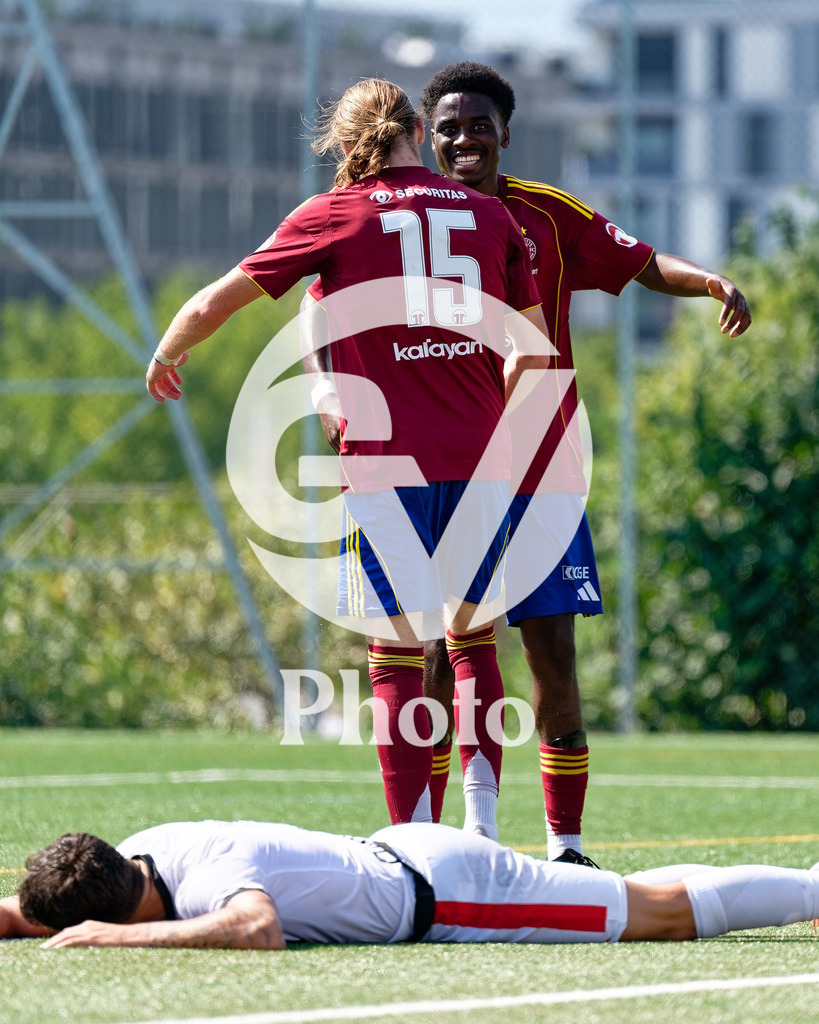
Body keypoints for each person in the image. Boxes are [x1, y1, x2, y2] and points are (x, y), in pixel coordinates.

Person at [145, 79, 550, 834]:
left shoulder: (334, 214)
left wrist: (167, 351)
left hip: (383, 463)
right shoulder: (489, 214)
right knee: (472, 641)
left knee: (396, 656)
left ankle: (413, 842)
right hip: (478, 460)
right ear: (419, 130)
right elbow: (532, 350)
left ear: (346, 139)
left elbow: (214, 302)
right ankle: (483, 833)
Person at [402, 61, 752, 862]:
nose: (464, 138)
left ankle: (565, 847)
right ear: (427, 138)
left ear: (505, 132)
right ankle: (432, 840)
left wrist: (707, 281)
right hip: (447, 467)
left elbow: (640, 261)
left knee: (551, 657)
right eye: (449, 128)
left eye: (479, 124)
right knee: (439, 654)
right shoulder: (406, 221)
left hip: (541, 470)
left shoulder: (547, 215)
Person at [1, 820, 817, 948]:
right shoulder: (135, 855)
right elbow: (38, 908)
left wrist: (118, 940)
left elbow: (256, 929)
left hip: (452, 895)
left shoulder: (215, 883)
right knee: (634, 896)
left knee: (661, 916)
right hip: (411, 858)